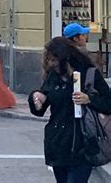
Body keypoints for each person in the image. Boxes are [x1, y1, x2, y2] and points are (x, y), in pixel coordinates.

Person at [29, 36, 111, 183]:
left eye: (54, 60)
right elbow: (40, 109)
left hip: (82, 144)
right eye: (48, 60)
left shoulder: (89, 74)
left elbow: (108, 102)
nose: (50, 64)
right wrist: (36, 98)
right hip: (58, 144)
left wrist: (90, 100)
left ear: (65, 58)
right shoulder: (53, 76)